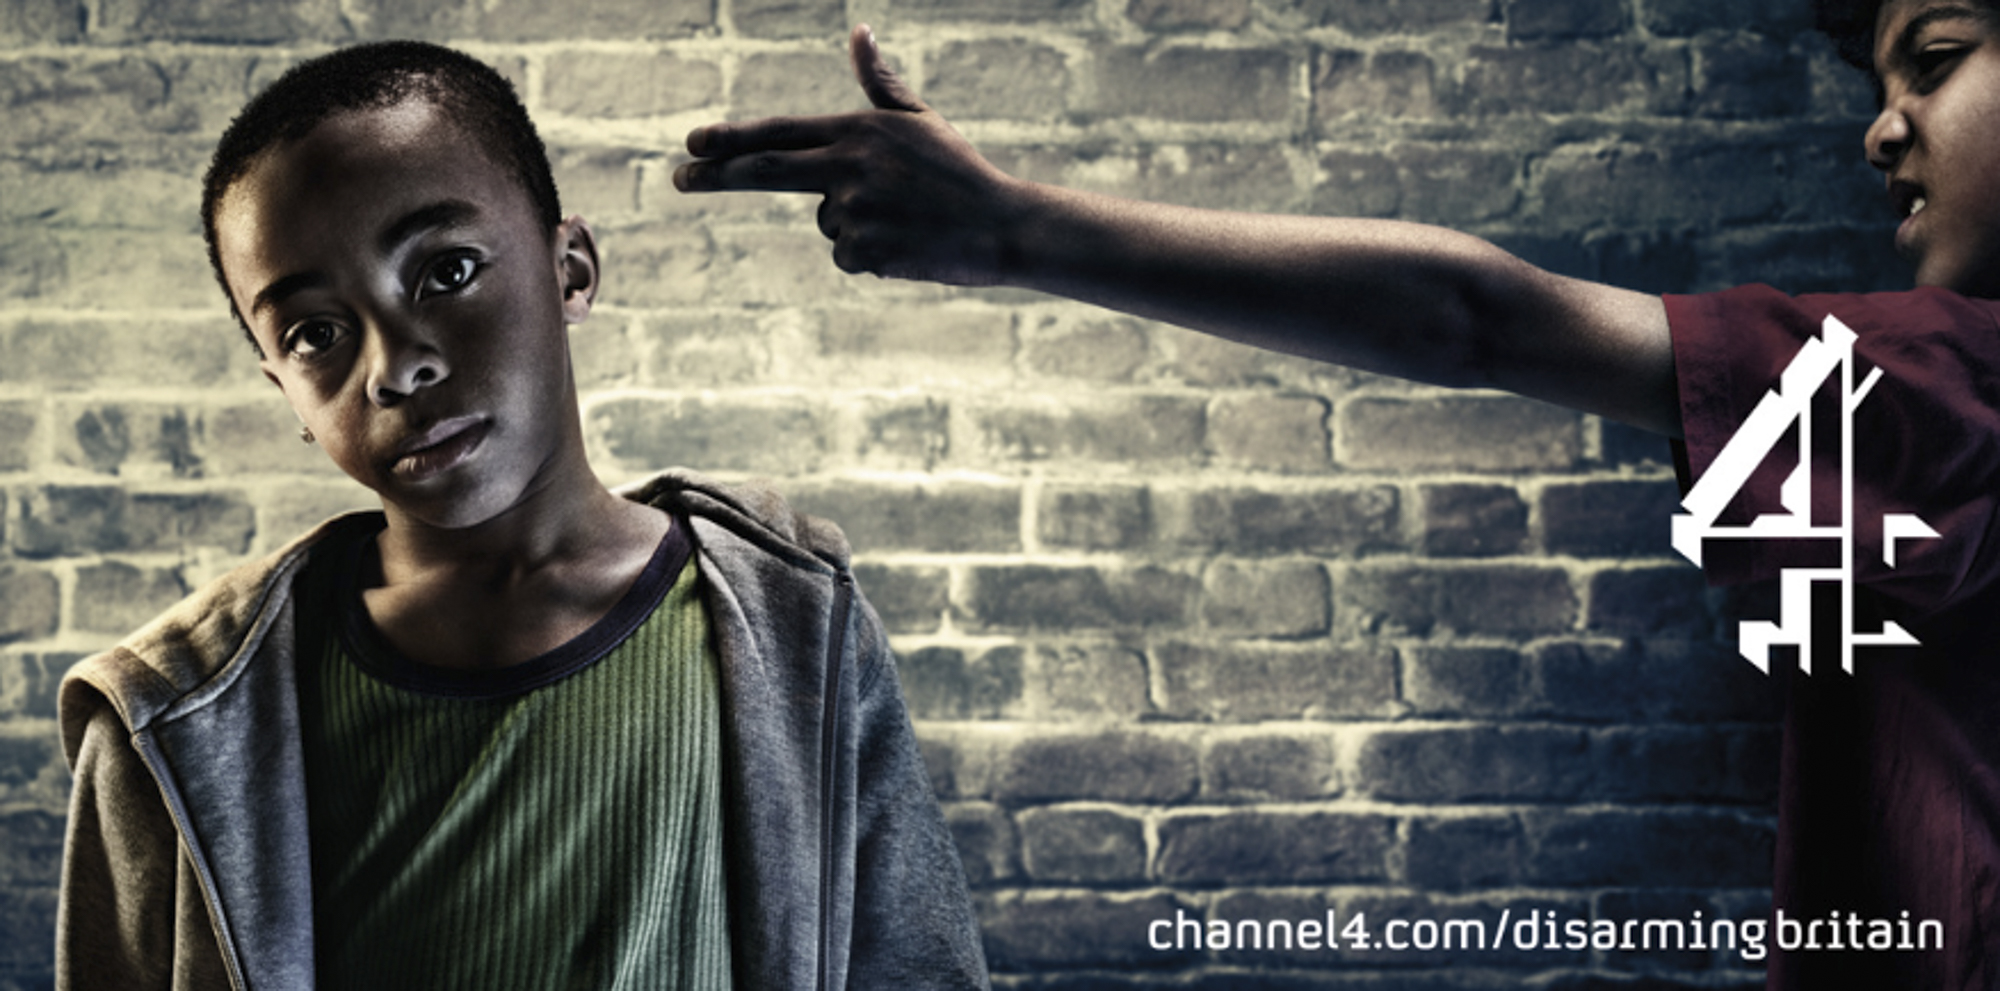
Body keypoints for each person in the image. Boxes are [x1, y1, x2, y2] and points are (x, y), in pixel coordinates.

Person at [674, 3, 2000, 988]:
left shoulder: (1962, 377)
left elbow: (1478, 319)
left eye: (1935, 59)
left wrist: (1015, 227)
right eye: (1881, 82)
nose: (1881, 128)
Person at [55, 41, 988, 991]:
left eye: (447, 271)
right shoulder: (168, 718)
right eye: (316, 333)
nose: (394, 367)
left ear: (571, 271)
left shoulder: (793, 622)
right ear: (284, 390)